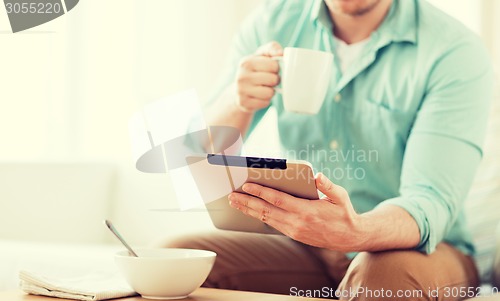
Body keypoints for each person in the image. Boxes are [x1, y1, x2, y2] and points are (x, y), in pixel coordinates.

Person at [166, 0, 494, 300]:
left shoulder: (453, 50)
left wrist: (355, 231)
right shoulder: (273, 22)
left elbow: (431, 202)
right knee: (173, 263)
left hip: (424, 250)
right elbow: (196, 155)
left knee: (380, 279)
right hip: (307, 246)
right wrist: (235, 102)